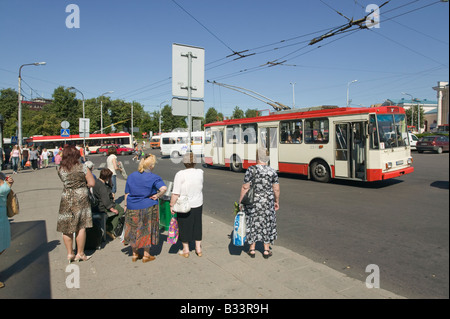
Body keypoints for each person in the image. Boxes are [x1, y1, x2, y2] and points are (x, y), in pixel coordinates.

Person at [124, 154, 167, 263]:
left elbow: (127, 193)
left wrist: (125, 205)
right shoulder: (154, 177)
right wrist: (158, 195)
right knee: (147, 229)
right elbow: (163, 188)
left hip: (132, 205)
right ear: (151, 166)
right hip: (147, 206)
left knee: (133, 228)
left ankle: (134, 254)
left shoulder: (132, 176)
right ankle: (146, 255)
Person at [57, 145, 96, 263]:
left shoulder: (60, 169)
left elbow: (64, 181)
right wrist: (82, 185)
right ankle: (80, 253)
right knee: (81, 226)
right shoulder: (83, 167)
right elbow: (92, 183)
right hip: (81, 197)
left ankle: (70, 254)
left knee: (66, 227)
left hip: (66, 197)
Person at [239, 147, 280, 259]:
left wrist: (241, 201)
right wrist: (276, 201)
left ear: (257, 157)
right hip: (267, 202)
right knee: (267, 223)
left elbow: (245, 187)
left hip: (253, 202)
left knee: (252, 222)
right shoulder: (272, 171)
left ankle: (252, 249)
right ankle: (266, 250)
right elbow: (276, 189)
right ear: (267, 157)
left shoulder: (251, 170)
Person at [170, 152, 204, 258]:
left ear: (184, 162)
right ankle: (198, 248)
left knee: (184, 225)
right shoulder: (200, 172)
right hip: (198, 203)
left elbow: (176, 193)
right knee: (197, 225)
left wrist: (172, 205)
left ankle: (186, 249)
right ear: (195, 162)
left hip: (184, 204)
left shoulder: (180, 174)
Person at [92, 168, 124, 239]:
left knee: (118, 208)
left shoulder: (97, 181)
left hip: (97, 205)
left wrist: (109, 181)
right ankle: (110, 229)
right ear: (107, 177)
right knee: (120, 210)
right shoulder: (102, 187)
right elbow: (105, 200)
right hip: (102, 206)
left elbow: (109, 187)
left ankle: (107, 225)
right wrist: (112, 209)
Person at [0, 173, 13, 288]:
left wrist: (9, 184)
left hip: (2, 215)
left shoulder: (2, 176)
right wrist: (7, 185)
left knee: (3, 244)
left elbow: (5, 191)